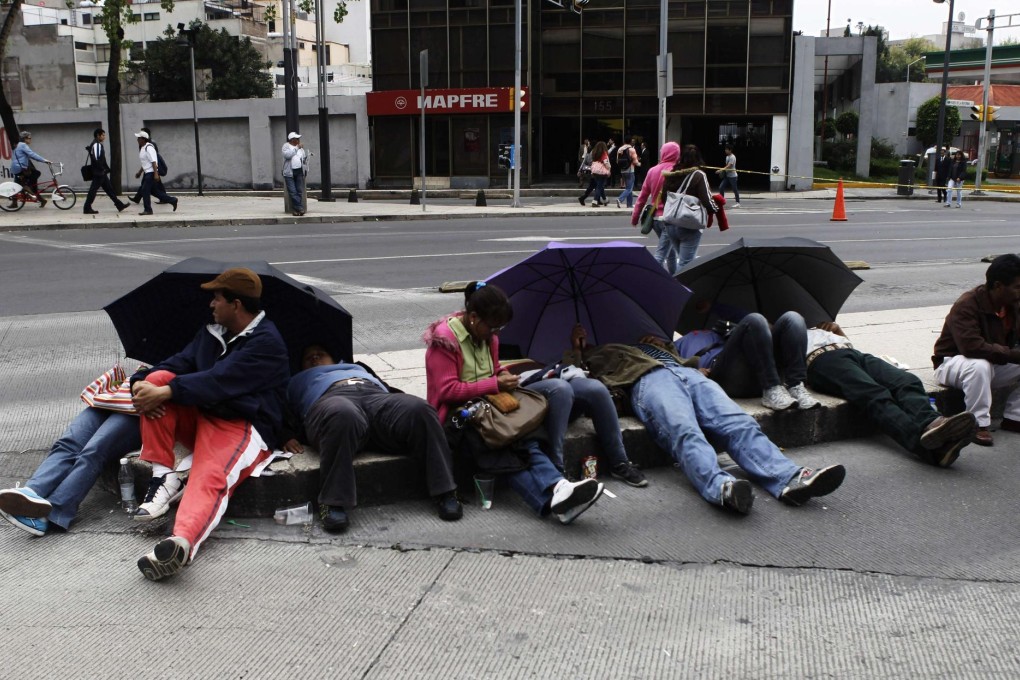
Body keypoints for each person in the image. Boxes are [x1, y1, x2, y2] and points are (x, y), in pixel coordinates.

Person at [563, 327, 846, 514]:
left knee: (738, 422)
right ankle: (720, 486)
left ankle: (789, 478)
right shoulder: (594, 352)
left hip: (688, 375)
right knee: (683, 430)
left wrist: (664, 346)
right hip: (647, 382)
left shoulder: (651, 343)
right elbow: (574, 376)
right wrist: (578, 349)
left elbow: (688, 359)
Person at [129, 267, 290, 580]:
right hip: (203, 413)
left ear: (236, 304)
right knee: (158, 378)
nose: (211, 304)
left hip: (241, 424)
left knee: (209, 476)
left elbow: (219, 379)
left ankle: (181, 542)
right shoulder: (212, 333)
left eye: (217, 298)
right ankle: (163, 477)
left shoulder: (267, 342)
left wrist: (167, 391)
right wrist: (141, 381)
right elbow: (179, 363)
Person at [423, 282, 605, 525]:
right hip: (458, 418)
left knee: (524, 436)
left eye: (500, 328)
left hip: (489, 408)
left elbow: (494, 370)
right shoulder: (445, 340)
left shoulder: (489, 338)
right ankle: (556, 497)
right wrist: (494, 384)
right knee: (499, 450)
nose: (495, 333)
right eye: (492, 327)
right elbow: (447, 391)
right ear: (474, 317)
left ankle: (559, 488)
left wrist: (503, 376)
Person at [284, 344, 462, 533]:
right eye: (308, 358)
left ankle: (446, 491)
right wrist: (284, 434)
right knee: (342, 413)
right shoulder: (295, 380)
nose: (314, 358)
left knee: (421, 409)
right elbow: (280, 408)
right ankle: (332, 502)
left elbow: (389, 390)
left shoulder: (357, 367)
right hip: (331, 399)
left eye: (320, 354)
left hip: (375, 396)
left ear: (335, 360)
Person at [805, 321, 977, 467]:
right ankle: (928, 449)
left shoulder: (816, 323)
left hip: (851, 353)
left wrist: (834, 330)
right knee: (875, 395)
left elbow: (846, 341)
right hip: (821, 360)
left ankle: (932, 423)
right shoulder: (791, 326)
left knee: (907, 381)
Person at [0, 408, 140, 536]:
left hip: (139, 410)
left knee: (94, 451)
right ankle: (32, 491)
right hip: (109, 399)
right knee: (67, 444)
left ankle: (50, 514)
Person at [520, 352, 648, 487]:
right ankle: (556, 469)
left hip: (559, 373)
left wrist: (576, 348)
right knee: (561, 388)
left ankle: (619, 462)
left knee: (597, 388)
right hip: (525, 384)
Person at [933, 254, 1020, 447]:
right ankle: (977, 424)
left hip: (992, 364)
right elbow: (971, 348)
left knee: (985, 365)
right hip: (954, 364)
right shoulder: (967, 304)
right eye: (1018, 287)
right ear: (998, 286)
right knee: (979, 365)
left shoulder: (1013, 305)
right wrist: (1013, 354)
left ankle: (1015, 418)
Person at [675, 311, 821, 411]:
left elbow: (757, 322)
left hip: (765, 371)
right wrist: (693, 372)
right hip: (726, 377)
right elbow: (669, 365)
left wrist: (718, 311)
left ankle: (796, 385)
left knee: (793, 317)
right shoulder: (684, 340)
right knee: (754, 319)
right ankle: (771, 387)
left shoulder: (733, 330)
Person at [655, 144, 720, 273]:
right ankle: (677, 285)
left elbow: (664, 198)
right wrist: (716, 208)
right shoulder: (699, 175)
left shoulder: (672, 173)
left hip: (671, 224)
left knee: (682, 259)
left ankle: (677, 283)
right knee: (686, 264)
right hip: (689, 224)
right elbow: (707, 201)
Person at [631, 141, 680, 274]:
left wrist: (635, 217)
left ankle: (674, 279)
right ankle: (651, 280)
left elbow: (642, 197)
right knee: (661, 254)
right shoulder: (677, 171)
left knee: (670, 252)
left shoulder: (652, 171)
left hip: (655, 220)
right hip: (670, 219)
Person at [82, 128, 129, 215]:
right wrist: (102, 169)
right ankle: (87, 207)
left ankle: (119, 205)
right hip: (99, 173)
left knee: (109, 189)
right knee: (93, 190)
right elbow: (97, 159)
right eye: (103, 135)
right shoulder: (96, 145)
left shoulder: (96, 144)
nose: (104, 137)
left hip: (100, 172)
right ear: (98, 135)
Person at [133, 130, 177, 215]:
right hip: (147, 173)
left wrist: (156, 174)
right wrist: (139, 172)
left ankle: (148, 210)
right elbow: (145, 163)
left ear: (143, 139)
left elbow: (153, 161)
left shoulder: (149, 148)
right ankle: (172, 200)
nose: (137, 139)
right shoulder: (143, 148)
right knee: (154, 192)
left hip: (151, 173)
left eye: (139, 138)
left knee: (145, 190)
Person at [10, 130, 50, 206]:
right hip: (21, 168)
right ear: (25, 138)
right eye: (29, 138)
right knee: (36, 174)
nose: (30, 139)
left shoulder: (17, 145)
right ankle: (27, 187)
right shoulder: (23, 145)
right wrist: (44, 160)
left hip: (15, 168)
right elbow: (32, 154)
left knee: (16, 184)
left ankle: (15, 203)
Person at [282, 132, 308, 216]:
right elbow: (287, 155)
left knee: (299, 191)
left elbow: (302, 158)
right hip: (289, 172)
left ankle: (296, 210)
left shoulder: (300, 149)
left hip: (299, 171)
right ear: (292, 139)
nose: (298, 140)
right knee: (293, 191)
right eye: (297, 139)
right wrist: (297, 148)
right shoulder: (286, 146)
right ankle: (300, 208)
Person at [578, 141, 610, 207]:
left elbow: (585, 161)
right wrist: (608, 169)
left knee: (596, 186)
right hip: (598, 171)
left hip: (593, 171)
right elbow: (605, 162)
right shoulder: (601, 153)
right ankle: (597, 200)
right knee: (598, 186)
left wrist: (580, 170)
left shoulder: (594, 152)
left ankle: (601, 200)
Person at [615, 138, 640, 209]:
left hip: (623, 171)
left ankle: (629, 204)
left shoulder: (620, 149)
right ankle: (620, 199)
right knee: (629, 188)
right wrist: (639, 164)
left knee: (628, 188)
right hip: (630, 170)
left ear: (624, 141)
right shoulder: (632, 149)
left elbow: (617, 161)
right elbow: (635, 161)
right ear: (631, 142)